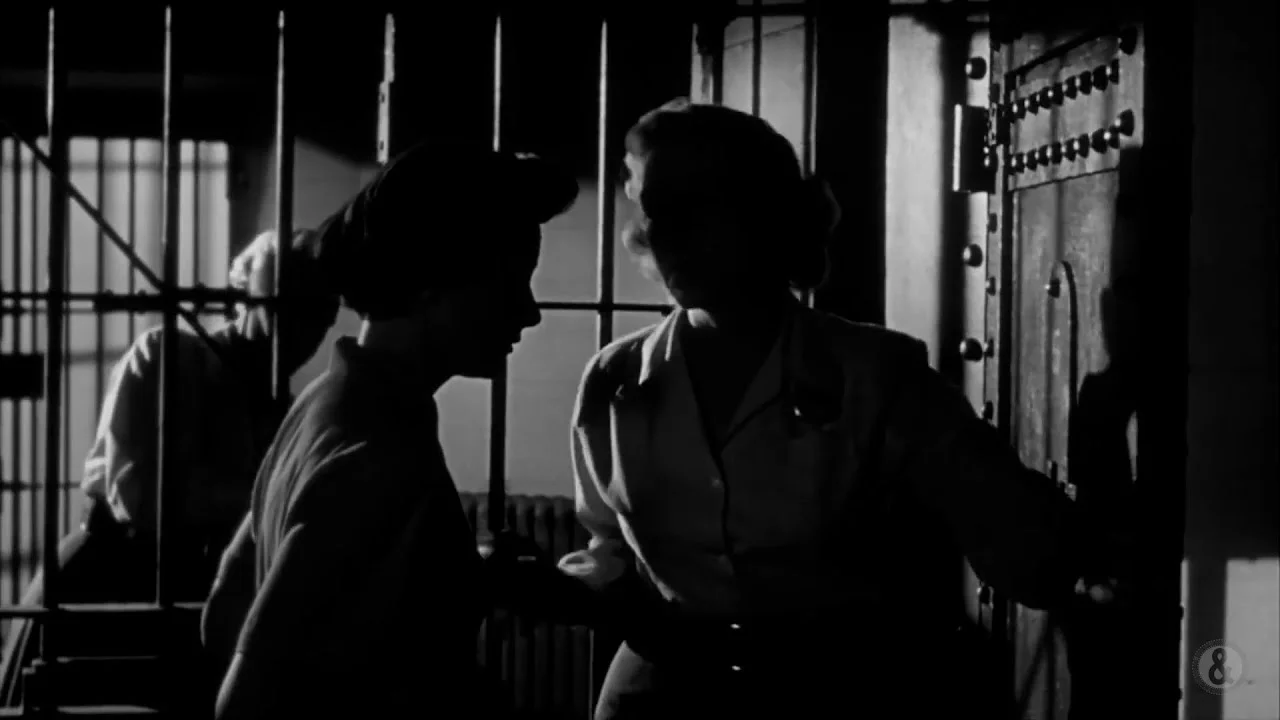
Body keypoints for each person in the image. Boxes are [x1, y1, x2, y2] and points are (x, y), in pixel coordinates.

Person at [554, 99, 1129, 718]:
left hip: (834, 694)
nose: (666, 234)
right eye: (655, 209)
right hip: (661, 697)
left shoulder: (877, 375)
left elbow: (1010, 532)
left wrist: (1091, 543)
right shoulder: (614, 377)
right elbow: (609, 542)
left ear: (763, 215)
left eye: (695, 208)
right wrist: (572, 586)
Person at [205, 142, 578, 720]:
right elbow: (245, 699)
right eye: (509, 283)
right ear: (429, 284)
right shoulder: (378, 457)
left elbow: (227, 613)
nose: (529, 312)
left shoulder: (323, 406)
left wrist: (462, 576)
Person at [0, 228, 339, 706]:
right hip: (107, 582)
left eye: (322, 316)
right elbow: (141, 496)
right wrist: (259, 500)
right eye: (292, 308)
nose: (308, 332)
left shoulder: (283, 406)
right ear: (246, 295)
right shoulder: (171, 356)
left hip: (187, 600)